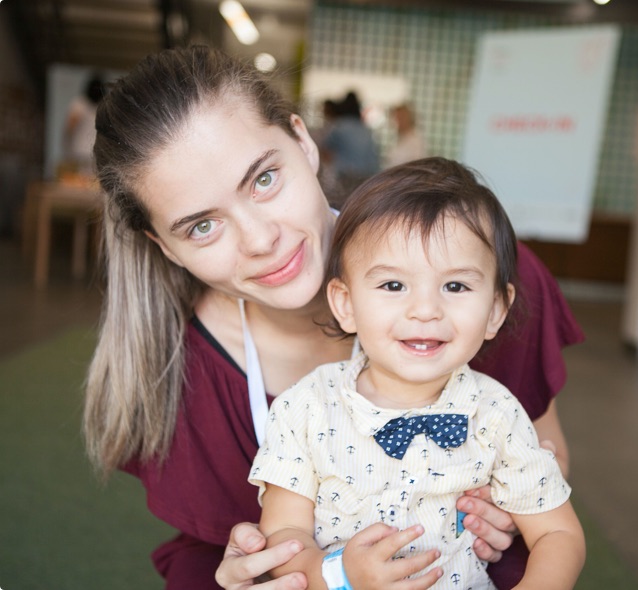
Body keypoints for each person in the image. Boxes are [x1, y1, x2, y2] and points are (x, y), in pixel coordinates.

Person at [82, 46, 583, 590]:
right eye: (202, 226)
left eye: (264, 179)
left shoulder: (477, 277)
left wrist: (511, 506)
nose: (261, 240)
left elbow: (550, 468)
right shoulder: (183, 378)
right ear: (167, 247)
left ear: (303, 141)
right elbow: (221, 558)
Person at [250, 157, 585, 589]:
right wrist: (340, 574)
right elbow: (284, 536)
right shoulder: (306, 408)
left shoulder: (497, 413)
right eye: (393, 285)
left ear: (496, 311)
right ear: (346, 303)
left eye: (456, 286)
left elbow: (558, 533)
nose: (425, 310)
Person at [319, 91, 381, 208]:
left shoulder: (339, 125)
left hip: (345, 177)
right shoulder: (365, 129)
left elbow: (325, 152)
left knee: (342, 208)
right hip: (367, 179)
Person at [62, 73, 105, 176]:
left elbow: (69, 128)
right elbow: (70, 127)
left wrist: (66, 145)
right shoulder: (81, 104)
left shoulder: (80, 104)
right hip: (83, 153)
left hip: (88, 152)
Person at [384, 103, 427, 168]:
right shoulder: (401, 139)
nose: (396, 122)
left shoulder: (415, 142)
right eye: (395, 118)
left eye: (400, 118)